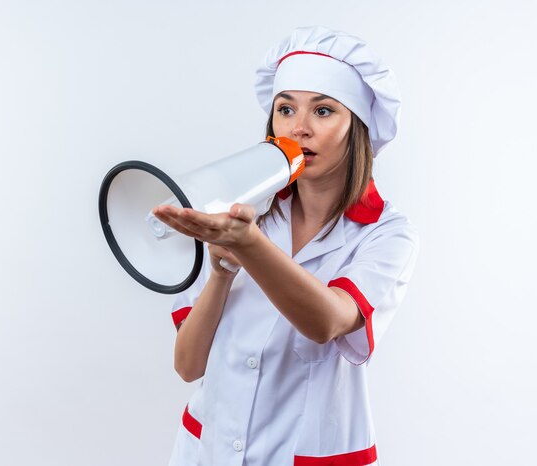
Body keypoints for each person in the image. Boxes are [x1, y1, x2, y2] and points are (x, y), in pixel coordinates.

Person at [153, 26, 419, 466]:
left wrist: (249, 245)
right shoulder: (239, 210)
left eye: (324, 110)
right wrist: (221, 269)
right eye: (286, 108)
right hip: (207, 451)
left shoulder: (387, 234)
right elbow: (188, 366)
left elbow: (327, 321)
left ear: (357, 127)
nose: (300, 127)